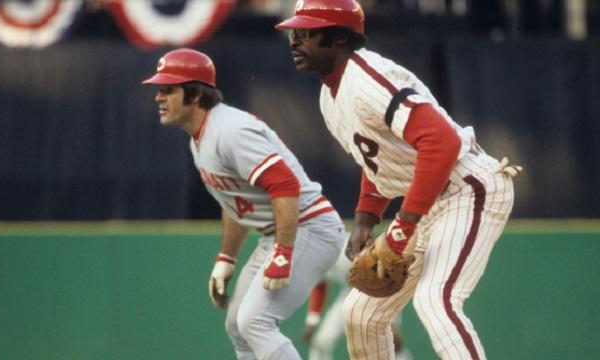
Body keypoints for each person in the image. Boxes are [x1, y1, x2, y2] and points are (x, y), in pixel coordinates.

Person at [275, 1, 522, 359]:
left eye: (306, 33)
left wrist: (402, 227)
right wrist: (365, 220)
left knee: (436, 300)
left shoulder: (365, 79)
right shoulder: (330, 98)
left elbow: (443, 142)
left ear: (340, 38)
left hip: (467, 188)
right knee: (360, 314)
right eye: (294, 33)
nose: (295, 41)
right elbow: (380, 163)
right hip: (430, 203)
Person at [142, 48, 346, 360]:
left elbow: (285, 185)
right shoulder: (200, 136)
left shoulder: (230, 131)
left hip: (309, 226)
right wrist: (226, 259)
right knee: (239, 326)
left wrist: (283, 253)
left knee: (255, 322)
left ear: (195, 94)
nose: (159, 97)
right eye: (159, 89)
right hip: (282, 231)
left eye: (168, 89)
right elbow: (236, 202)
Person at [300, 236, 414, 360]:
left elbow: (384, 273)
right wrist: (312, 320)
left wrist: (388, 319)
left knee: (390, 342)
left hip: (379, 293)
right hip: (349, 295)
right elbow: (321, 284)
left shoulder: (349, 246)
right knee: (321, 342)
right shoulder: (317, 256)